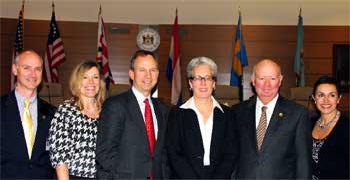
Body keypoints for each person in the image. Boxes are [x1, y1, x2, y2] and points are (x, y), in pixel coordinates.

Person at [231, 59, 312, 179]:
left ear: (280, 81)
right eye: (262, 78)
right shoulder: (238, 111)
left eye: (273, 79)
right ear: (253, 80)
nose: (267, 85)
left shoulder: (297, 114)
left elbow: (303, 162)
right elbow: (232, 155)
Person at [96, 50, 169, 179]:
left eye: (153, 70)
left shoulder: (163, 109)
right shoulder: (115, 106)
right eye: (142, 70)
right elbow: (105, 154)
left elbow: (163, 153)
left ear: (158, 74)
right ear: (131, 74)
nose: (148, 76)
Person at [166, 57, 237, 179]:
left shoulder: (228, 114)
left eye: (208, 78)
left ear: (214, 83)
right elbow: (174, 154)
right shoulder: (177, 114)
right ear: (190, 83)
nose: (203, 83)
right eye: (198, 78)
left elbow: (231, 153)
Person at [1, 50, 56, 179]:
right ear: (15, 70)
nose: (33, 74)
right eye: (27, 68)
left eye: (38, 69)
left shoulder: (52, 113)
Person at [48, 60, 106, 179]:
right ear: (77, 81)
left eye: (95, 77)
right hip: (72, 176)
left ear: (100, 82)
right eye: (85, 77)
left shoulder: (108, 111)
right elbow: (60, 157)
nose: (91, 82)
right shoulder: (66, 110)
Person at [311, 75, 349, 179]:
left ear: (338, 98)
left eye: (331, 95)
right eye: (321, 95)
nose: (326, 100)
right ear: (314, 98)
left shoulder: (346, 129)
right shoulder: (308, 124)